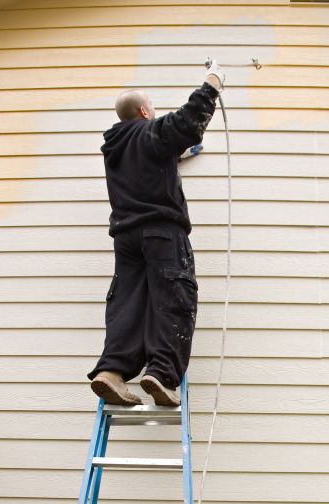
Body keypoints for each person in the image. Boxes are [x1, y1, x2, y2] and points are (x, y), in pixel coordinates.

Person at [87, 61, 225, 406]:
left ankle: (112, 373)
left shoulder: (114, 149)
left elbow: (149, 160)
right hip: (162, 233)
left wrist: (177, 156)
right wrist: (213, 81)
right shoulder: (151, 132)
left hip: (126, 239)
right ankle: (161, 375)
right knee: (174, 300)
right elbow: (189, 120)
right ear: (146, 111)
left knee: (128, 304)